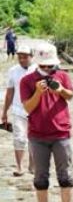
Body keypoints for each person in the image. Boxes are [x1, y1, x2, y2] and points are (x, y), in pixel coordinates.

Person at [19, 41, 73, 202]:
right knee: (40, 177)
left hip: (61, 132)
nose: (47, 70)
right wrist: (38, 92)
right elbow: (27, 107)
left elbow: (70, 96)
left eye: (50, 66)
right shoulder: (27, 81)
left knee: (65, 176)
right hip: (37, 135)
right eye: (43, 66)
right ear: (37, 64)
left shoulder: (62, 76)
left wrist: (59, 89)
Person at [3, 42, 34, 176]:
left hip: (35, 110)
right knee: (19, 138)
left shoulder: (37, 70)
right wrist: (4, 112)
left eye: (25, 57)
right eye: (20, 57)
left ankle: (32, 166)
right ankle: (19, 166)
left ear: (31, 56)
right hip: (18, 110)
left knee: (34, 139)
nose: (22, 59)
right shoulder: (13, 71)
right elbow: (9, 93)